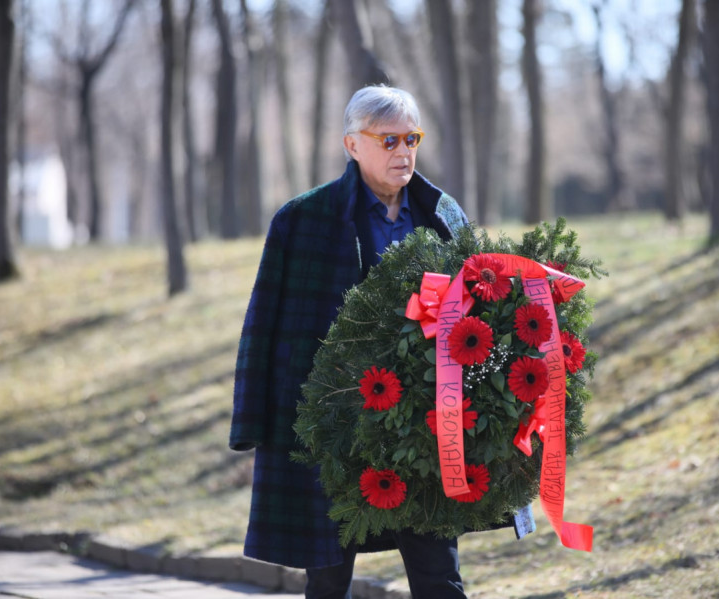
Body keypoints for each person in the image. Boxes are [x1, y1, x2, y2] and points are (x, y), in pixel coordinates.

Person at [229, 85, 534, 599]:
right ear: (352, 145)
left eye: (411, 138)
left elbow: (484, 314)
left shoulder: (444, 214)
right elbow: (264, 326)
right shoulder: (302, 220)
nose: (403, 151)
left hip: (426, 428)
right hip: (334, 429)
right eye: (388, 140)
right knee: (328, 579)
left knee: (439, 575)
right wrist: (253, 422)